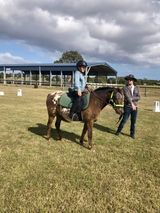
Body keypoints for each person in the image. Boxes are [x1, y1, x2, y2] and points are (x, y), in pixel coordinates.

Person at [115, 74, 140, 139]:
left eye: (130, 80)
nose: (129, 81)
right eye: (128, 80)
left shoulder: (137, 88)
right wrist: (132, 103)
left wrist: (132, 99)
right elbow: (127, 97)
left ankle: (132, 134)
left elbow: (139, 97)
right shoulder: (125, 88)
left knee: (133, 121)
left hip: (135, 107)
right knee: (124, 120)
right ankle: (118, 131)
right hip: (127, 106)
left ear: (133, 81)